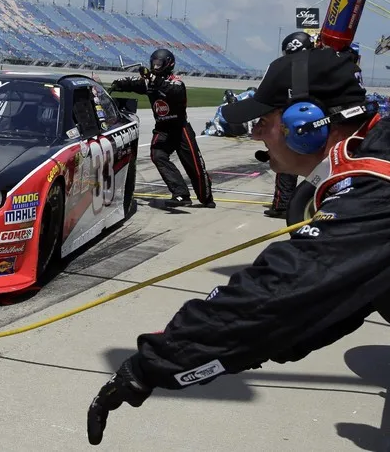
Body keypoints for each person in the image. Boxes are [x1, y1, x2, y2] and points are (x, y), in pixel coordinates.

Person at [87, 47, 382, 446]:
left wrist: (150, 366)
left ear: (306, 124)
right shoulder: (371, 155)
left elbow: (281, 294)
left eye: (264, 120)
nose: (256, 133)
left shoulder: (374, 188)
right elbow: (329, 306)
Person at [110, 48, 214, 208]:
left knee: (194, 165)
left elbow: (173, 91)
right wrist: (118, 85)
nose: (155, 67)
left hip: (181, 128)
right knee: (157, 155)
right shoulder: (149, 82)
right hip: (162, 128)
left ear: (168, 64)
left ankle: (206, 197)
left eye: (159, 64)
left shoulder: (176, 81)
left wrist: (153, 79)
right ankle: (181, 194)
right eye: (154, 63)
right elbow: (133, 83)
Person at [263, 31, 315, 218]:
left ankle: (282, 205)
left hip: (294, 122)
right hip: (319, 124)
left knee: (286, 164)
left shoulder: (289, 69)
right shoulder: (322, 65)